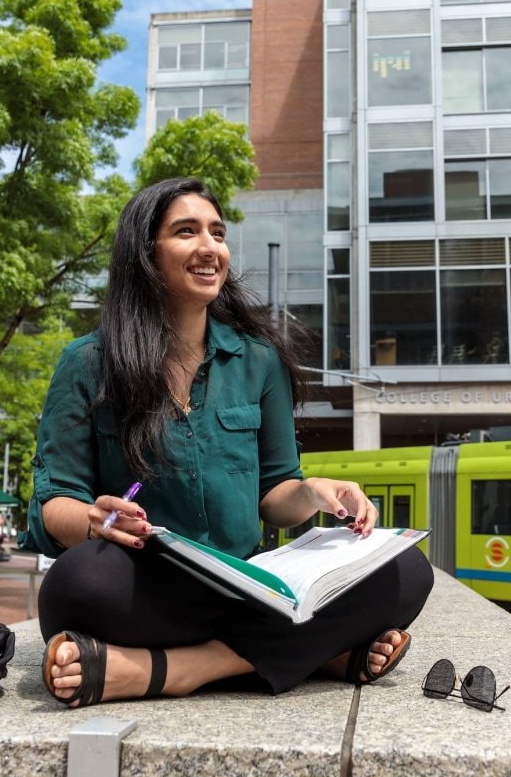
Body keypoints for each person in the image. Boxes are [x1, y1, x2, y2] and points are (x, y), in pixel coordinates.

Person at [25, 177, 433, 708]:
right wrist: (93, 522)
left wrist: (313, 492)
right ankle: (317, 652)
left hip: (250, 586)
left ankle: (178, 670)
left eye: (217, 233)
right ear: (145, 253)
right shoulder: (86, 362)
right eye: (186, 232)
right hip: (151, 589)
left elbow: (276, 493)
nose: (209, 248)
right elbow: (51, 502)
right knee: (74, 586)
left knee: (404, 569)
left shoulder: (258, 360)